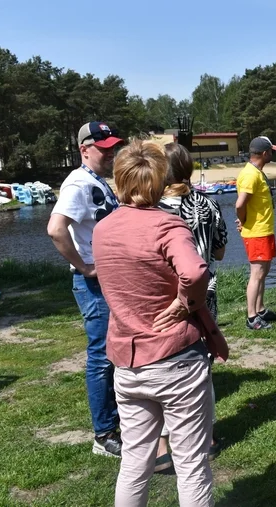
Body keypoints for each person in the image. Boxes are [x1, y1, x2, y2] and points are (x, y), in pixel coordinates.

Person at [93, 140, 227, 506]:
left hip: (127, 362)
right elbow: (197, 269)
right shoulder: (168, 226)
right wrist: (187, 303)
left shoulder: (103, 229)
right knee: (191, 464)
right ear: (159, 182)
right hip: (176, 360)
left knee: (135, 462)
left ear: (119, 183)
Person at [47, 121, 124, 458]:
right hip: (93, 282)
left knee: (112, 353)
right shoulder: (78, 183)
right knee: (101, 357)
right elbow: (55, 229)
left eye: (112, 147)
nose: (110, 153)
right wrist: (84, 266)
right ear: (84, 149)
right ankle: (103, 434)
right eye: (103, 147)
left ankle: (116, 420)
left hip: (106, 278)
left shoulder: (95, 181)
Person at [157, 143, 228, 467]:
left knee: (157, 365)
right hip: (204, 295)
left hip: (162, 297)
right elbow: (219, 252)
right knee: (201, 367)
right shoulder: (210, 205)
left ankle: (160, 448)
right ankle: (207, 436)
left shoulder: (152, 209)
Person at [235, 136, 276, 330]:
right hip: (256, 233)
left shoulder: (257, 172)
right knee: (257, 273)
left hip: (264, 230)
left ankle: (260, 309)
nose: (272, 154)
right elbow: (239, 204)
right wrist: (244, 221)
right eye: (271, 151)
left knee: (264, 272)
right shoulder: (250, 175)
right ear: (264, 153)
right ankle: (252, 317)